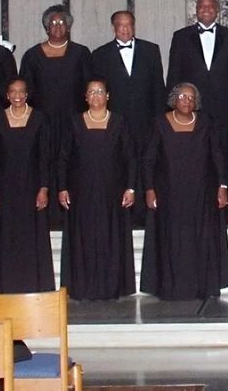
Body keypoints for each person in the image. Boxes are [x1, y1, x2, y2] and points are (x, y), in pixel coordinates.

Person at [140, 83, 228, 300]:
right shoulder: (159, 123)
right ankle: (172, 287)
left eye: (191, 97)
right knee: (172, 239)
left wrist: (223, 186)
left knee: (199, 238)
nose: (187, 101)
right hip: (169, 194)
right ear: (174, 99)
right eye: (182, 96)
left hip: (201, 194)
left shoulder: (206, 123)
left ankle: (202, 286)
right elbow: (149, 159)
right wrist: (149, 188)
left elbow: (217, 155)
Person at [57, 79, 138, 301]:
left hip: (112, 193)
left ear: (108, 96)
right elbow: (64, 157)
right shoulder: (74, 123)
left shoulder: (120, 122)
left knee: (110, 237)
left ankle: (111, 288)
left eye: (100, 91)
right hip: (81, 193)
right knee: (83, 239)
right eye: (91, 92)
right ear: (85, 97)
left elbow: (131, 158)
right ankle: (83, 288)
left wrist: (130, 188)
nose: (95, 96)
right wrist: (62, 187)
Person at [0, 77, 55, 293]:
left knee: (31, 236)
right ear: (7, 95)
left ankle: (34, 285)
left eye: (21, 91)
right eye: (12, 91)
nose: (17, 95)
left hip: (32, 187)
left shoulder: (40, 119)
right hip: (5, 189)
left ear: (27, 94)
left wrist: (44, 188)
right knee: (6, 236)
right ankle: (5, 285)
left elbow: (45, 157)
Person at [166, 0, 228, 164]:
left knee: (224, 155)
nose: (206, 9)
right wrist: (173, 108)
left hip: (225, 109)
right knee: (194, 156)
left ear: (217, 10)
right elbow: (174, 74)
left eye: (210, 6)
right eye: (202, 6)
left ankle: (226, 189)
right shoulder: (181, 37)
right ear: (196, 11)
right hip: (192, 108)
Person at [89, 10, 166, 152]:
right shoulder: (100, 54)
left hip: (145, 119)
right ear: (113, 28)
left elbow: (158, 87)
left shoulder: (151, 50)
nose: (125, 29)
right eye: (121, 25)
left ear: (134, 27)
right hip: (114, 120)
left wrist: (160, 120)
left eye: (129, 25)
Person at [19, 5, 93, 130]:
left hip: (74, 119)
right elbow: (25, 89)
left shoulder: (81, 53)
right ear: (47, 28)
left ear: (68, 27)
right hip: (42, 120)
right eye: (53, 23)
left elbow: (89, 85)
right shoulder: (32, 55)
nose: (57, 26)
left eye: (61, 22)